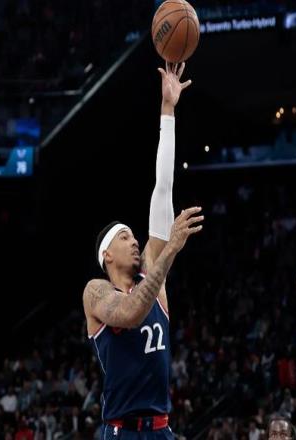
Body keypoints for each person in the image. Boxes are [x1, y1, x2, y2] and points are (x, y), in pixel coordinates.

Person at [83, 62, 202, 439]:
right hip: (122, 431)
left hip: (162, 428)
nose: (135, 241)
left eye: (135, 236)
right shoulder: (96, 292)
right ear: (107, 255)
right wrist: (169, 253)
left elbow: (162, 188)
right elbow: (131, 313)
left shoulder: (152, 271)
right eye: (124, 237)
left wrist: (168, 110)